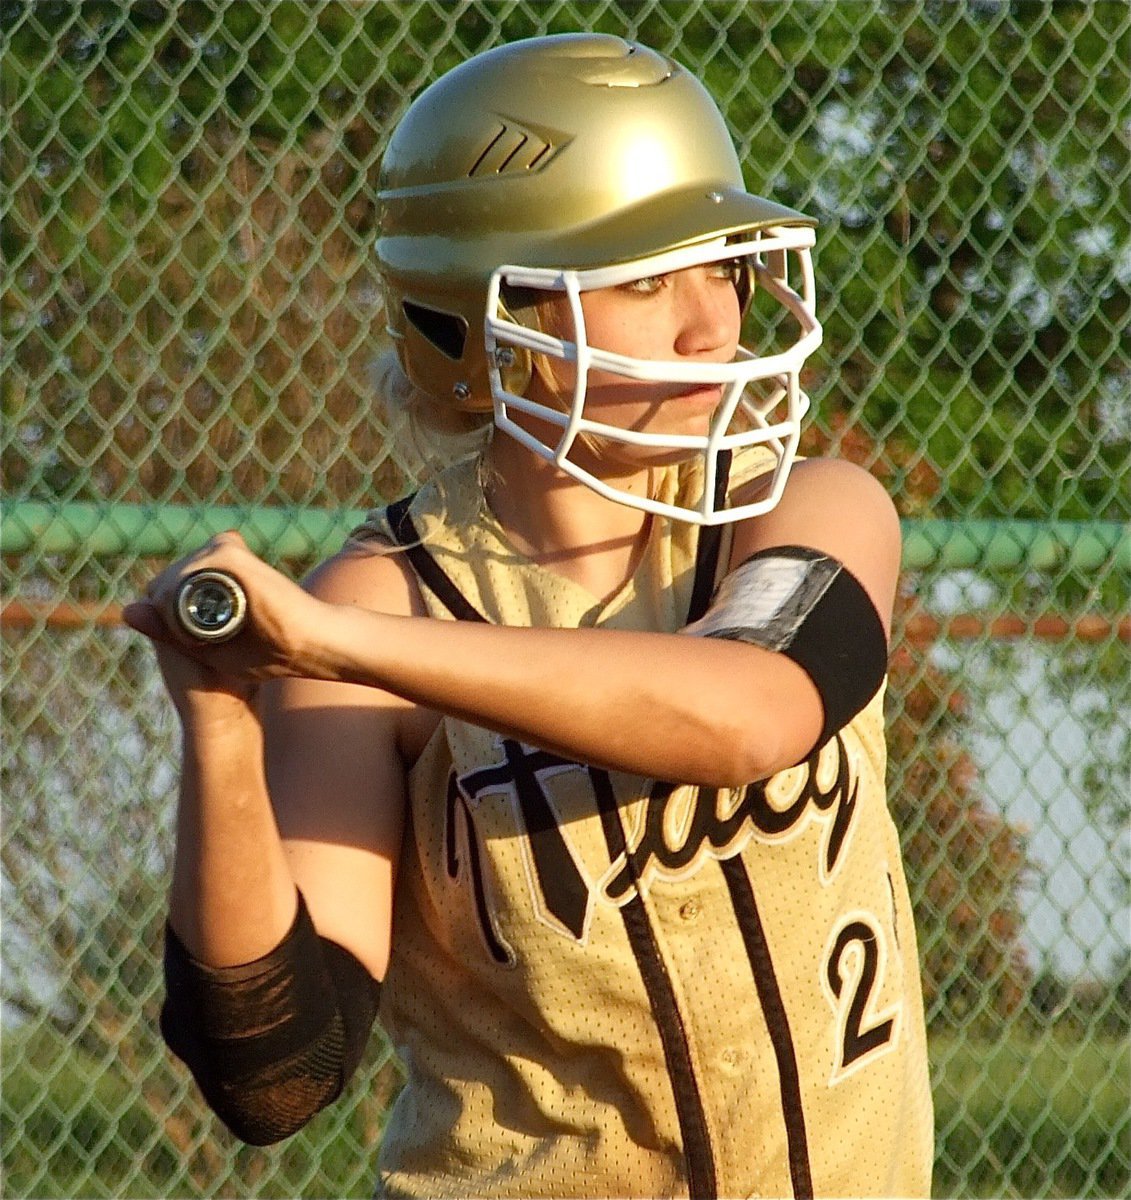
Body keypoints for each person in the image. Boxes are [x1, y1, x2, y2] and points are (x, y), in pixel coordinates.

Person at [124, 32, 933, 1200]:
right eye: (649, 280)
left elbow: (752, 708)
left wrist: (329, 645)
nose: (715, 325)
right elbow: (277, 1070)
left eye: (724, 265)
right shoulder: (385, 593)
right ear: (488, 324)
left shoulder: (806, 504)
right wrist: (221, 728)